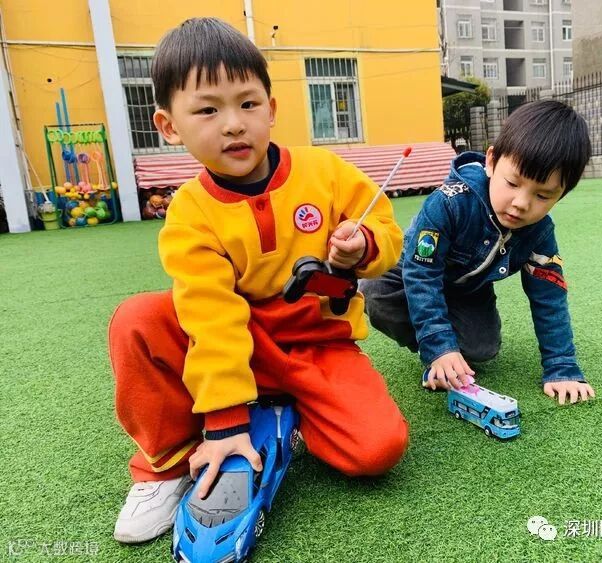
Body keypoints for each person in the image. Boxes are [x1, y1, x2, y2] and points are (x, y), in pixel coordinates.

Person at [109, 17, 407, 544]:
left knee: (378, 449)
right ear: (169, 126)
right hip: (236, 342)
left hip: (318, 346)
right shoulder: (190, 213)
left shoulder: (326, 171)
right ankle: (167, 466)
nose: (233, 125)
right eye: (208, 110)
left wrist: (364, 246)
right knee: (137, 319)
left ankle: (286, 415)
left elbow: (385, 229)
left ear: (270, 109)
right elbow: (212, 317)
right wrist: (224, 421)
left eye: (247, 104)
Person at [361, 100, 595, 405]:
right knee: (374, 294)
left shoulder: (539, 233)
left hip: (467, 291)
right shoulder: (448, 203)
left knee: (482, 349)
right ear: (492, 161)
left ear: (560, 194)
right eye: (512, 183)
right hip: (409, 274)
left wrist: (561, 366)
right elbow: (422, 275)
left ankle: (448, 348)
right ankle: (436, 352)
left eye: (542, 195)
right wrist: (439, 349)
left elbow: (549, 297)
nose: (521, 203)